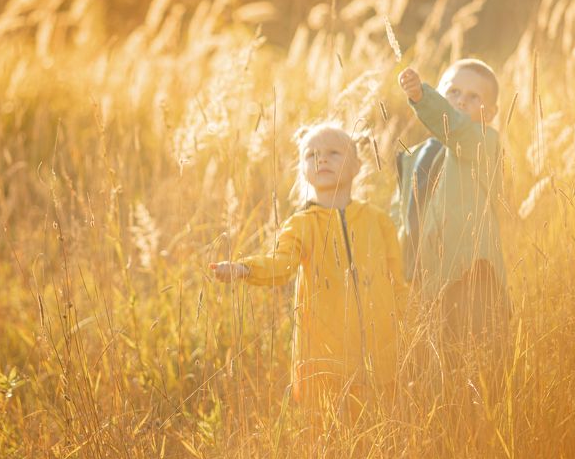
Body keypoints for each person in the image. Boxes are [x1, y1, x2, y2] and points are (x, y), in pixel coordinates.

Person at [210, 122, 406, 422]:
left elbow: (398, 280)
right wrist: (244, 268)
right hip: (324, 355)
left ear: (356, 166)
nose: (321, 159)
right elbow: (281, 265)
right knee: (329, 434)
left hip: (378, 356)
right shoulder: (302, 224)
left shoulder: (377, 221)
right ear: (303, 169)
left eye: (333, 153)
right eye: (311, 155)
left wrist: (408, 332)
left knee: (378, 428)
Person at [394, 59, 509, 341]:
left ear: (490, 113)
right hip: (428, 280)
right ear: (442, 93)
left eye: (473, 97)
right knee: (434, 363)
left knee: (478, 357)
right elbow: (405, 215)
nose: (461, 102)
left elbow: (454, 128)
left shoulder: (482, 142)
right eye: (453, 92)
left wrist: (423, 98)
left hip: (473, 277)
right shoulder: (416, 155)